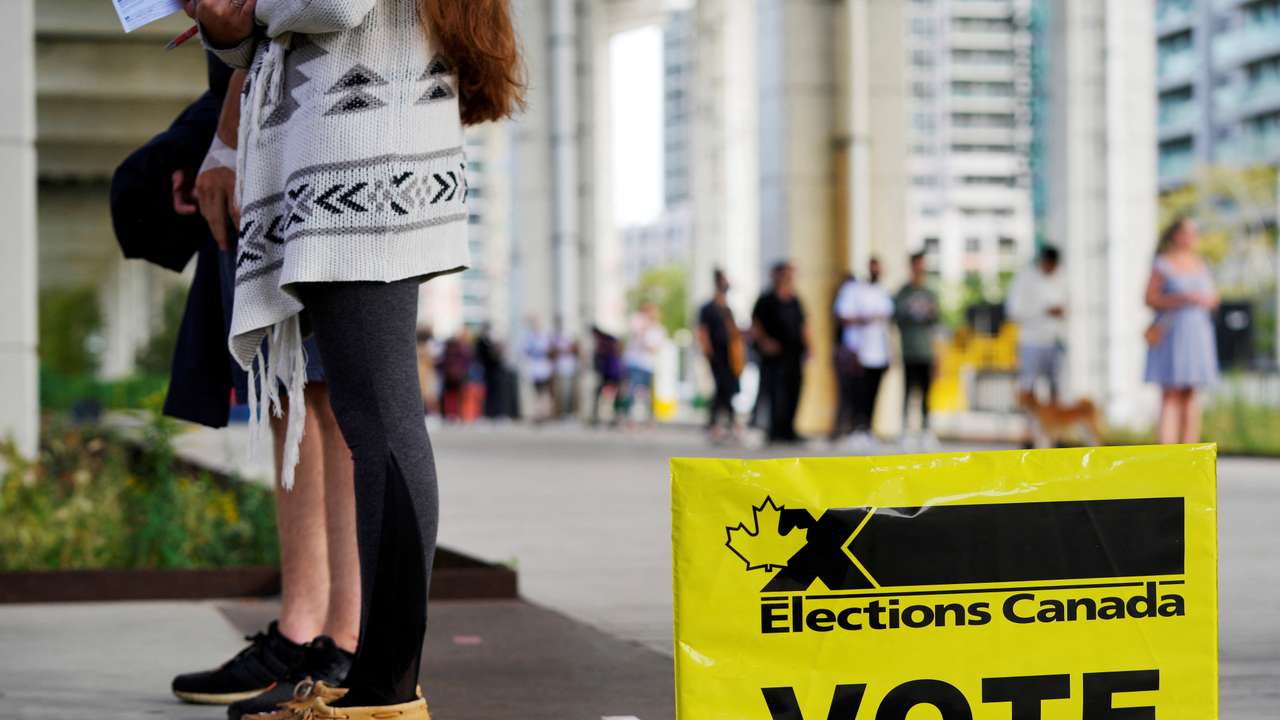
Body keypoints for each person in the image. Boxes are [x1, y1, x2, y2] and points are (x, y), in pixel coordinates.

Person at [196, 2, 524, 719]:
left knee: (380, 420)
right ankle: (379, 683)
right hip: (354, 158)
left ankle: (388, 692)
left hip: (365, 164)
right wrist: (229, 26)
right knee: (372, 417)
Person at [111, 9, 360, 718]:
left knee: (335, 400)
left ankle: (344, 641)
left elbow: (289, 21)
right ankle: (305, 631)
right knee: (290, 390)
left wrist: (222, 145)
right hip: (277, 129)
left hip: (324, 136)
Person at [1145, 218, 1220, 444]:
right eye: (1187, 232)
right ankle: (1168, 452)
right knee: (1172, 394)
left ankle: (1190, 452)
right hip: (1172, 334)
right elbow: (1149, 298)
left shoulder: (1201, 264)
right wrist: (1182, 299)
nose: (1192, 237)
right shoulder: (1163, 264)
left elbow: (1214, 298)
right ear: (1175, 235)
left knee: (1190, 394)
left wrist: (1206, 300)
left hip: (1198, 334)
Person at [835, 257, 893, 449]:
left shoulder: (882, 291)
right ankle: (852, 430)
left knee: (872, 393)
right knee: (854, 394)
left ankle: (867, 428)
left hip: (879, 352)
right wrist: (867, 318)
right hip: (857, 351)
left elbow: (886, 321)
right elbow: (843, 317)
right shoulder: (852, 290)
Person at [751, 261, 809, 444]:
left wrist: (810, 347)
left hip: (794, 353)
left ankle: (788, 430)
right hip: (773, 355)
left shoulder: (795, 299)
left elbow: (804, 325)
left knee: (794, 390)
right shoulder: (766, 300)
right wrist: (764, 342)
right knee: (775, 392)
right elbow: (755, 324)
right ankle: (774, 430)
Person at [1007, 246, 1067, 404]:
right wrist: (1044, 311)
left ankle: (1054, 425)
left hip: (1054, 340)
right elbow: (1014, 311)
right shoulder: (1025, 279)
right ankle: (1031, 426)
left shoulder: (1060, 278)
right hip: (1031, 341)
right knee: (1029, 384)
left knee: (1055, 384)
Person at [894, 251, 941, 449]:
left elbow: (937, 322)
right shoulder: (903, 293)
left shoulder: (930, 293)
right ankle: (905, 431)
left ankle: (926, 430)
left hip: (926, 351)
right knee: (907, 392)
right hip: (909, 350)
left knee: (926, 394)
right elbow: (896, 318)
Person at [697, 269, 744, 442]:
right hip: (717, 355)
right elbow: (702, 331)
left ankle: (727, 423)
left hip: (730, 356)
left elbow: (734, 332)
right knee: (721, 388)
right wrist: (708, 352)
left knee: (728, 389)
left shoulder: (728, 309)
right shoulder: (708, 308)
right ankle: (717, 424)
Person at [622, 303, 668, 426]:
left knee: (648, 392)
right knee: (632, 389)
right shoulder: (637, 320)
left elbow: (656, 346)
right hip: (634, 361)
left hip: (648, 364)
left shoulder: (658, 328)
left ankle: (649, 418)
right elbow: (636, 335)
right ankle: (629, 417)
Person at [590, 325, 624, 426]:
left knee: (612, 394)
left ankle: (614, 416)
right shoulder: (609, 341)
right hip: (610, 373)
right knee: (608, 394)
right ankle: (613, 416)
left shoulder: (605, 343)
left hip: (612, 373)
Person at [523, 317, 555, 422]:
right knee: (537, 392)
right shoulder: (530, 338)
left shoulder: (544, 337)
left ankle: (543, 413)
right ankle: (538, 413)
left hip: (543, 368)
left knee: (544, 392)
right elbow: (526, 351)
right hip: (535, 369)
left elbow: (550, 352)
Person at [551, 317, 580, 420]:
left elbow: (576, 350)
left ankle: (570, 413)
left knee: (570, 393)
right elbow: (553, 352)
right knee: (560, 394)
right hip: (560, 369)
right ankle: (560, 414)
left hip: (570, 369)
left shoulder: (572, 336)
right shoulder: (556, 337)